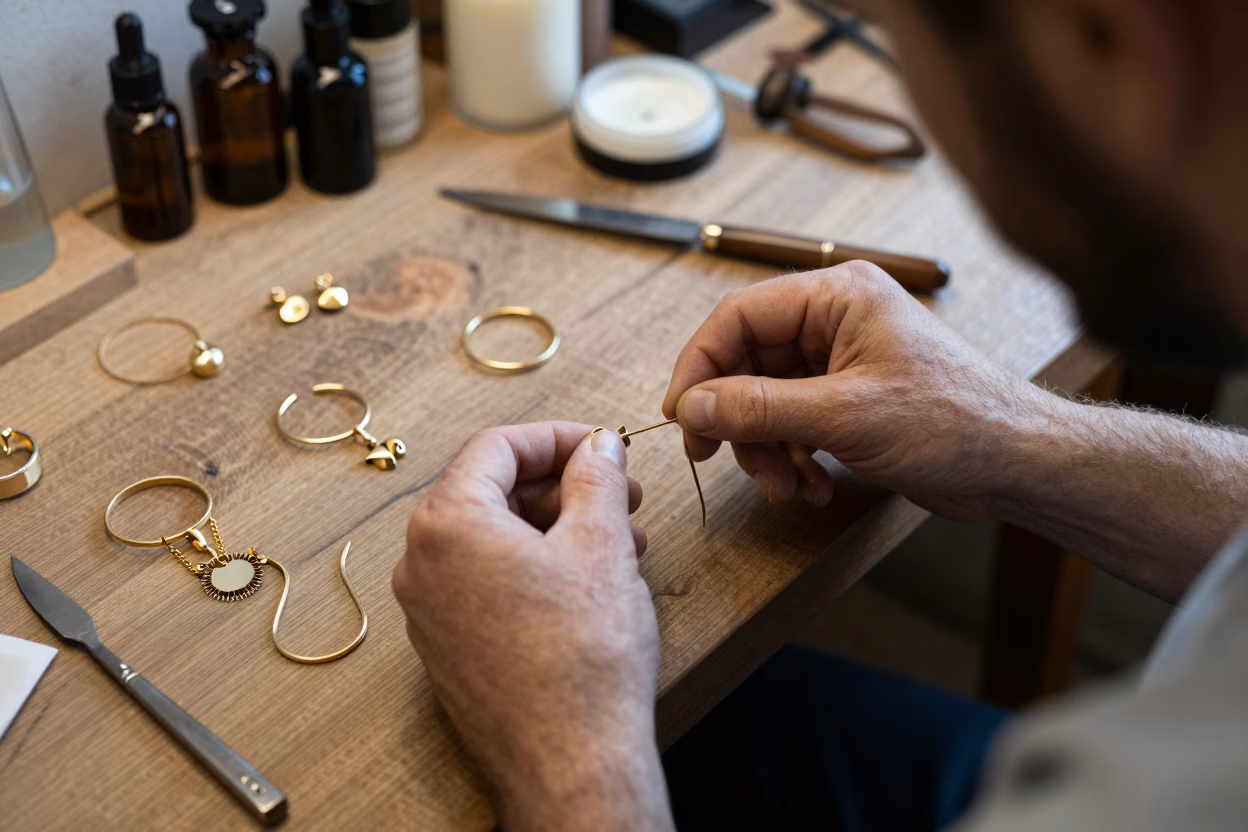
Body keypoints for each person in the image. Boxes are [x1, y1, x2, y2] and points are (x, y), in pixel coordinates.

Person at [391, 0, 1248, 828]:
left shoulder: (1159, 790)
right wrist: (1010, 438)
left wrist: (565, 751)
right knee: (731, 721)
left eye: (893, 30)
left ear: (1107, 35)